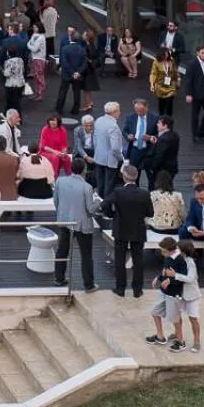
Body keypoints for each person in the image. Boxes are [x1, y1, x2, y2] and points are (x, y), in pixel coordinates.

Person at [103, 164, 153, 298]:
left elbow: (105, 204)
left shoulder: (118, 192)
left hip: (121, 228)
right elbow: (150, 213)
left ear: (124, 177)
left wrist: (112, 215)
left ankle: (120, 288)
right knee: (138, 260)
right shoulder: (144, 193)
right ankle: (137, 289)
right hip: (138, 228)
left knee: (120, 259)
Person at [54, 157, 102, 292]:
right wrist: (98, 202)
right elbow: (90, 210)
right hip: (82, 224)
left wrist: (62, 213)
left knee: (62, 250)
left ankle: (59, 278)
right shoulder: (87, 187)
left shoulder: (60, 181)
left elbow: (56, 201)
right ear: (84, 170)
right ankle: (89, 285)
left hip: (65, 221)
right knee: (86, 255)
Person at [146, 237, 202, 353]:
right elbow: (167, 272)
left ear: (184, 251)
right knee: (177, 317)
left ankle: (196, 342)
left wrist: (174, 276)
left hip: (190, 296)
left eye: (178, 248)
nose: (176, 249)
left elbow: (190, 279)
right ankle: (177, 335)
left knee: (193, 318)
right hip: (178, 294)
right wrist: (161, 277)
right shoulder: (174, 258)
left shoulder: (190, 263)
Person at [92, 101, 125, 198]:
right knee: (109, 186)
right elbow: (115, 148)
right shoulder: (113, 126)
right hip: (110, 161)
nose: (120, 113)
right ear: (114, 112)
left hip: (99, 157)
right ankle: (106, 205)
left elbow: (95, 139)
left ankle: (100, 203)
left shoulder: (98, 120)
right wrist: (120, 158)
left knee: (100, 184)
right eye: (119, 111)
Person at [184, 44, 204, 142]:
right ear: (197, 53)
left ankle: (202, 132)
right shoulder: (192, 64)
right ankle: (195, 135)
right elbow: (188, 80)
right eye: (202, 53)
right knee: (195, 115)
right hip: (196, 93)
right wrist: (188, 94)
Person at [55, 32, 88, 116]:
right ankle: (75, 109)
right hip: (78, 75)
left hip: (67, 73)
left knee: (63, 91)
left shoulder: (65, 48)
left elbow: (65, 62)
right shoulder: (82, 49)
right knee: (77, 92)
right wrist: (78, 72)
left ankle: (59, 108)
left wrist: (72, 72)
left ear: (70, 38)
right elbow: (84, 63)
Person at [146, 113, 180, 191]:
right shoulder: (175, 135)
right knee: (168, 187)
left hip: (162, 170)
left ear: (165, 125)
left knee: (159, 188)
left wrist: (152, 167)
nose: (157, 125)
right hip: (172, 168)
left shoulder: (163, 140)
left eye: (159, 123)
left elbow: (159, 156)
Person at [148, 169, 185, 234]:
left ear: (157, 182)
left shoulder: (152, 195)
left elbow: (148, 212)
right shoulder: (178, 195)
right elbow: (182, 214)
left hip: (157, 227)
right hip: (174, 228)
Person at [123, 99, 157, 169]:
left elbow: (159, 134)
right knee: (134, 172)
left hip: (149, 150)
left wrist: (150, 137)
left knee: (150, 173)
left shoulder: (155, 118)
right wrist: (128, 136)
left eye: (141, 110)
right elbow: (125, 131)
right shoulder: (130, 117)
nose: (138, 113)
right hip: (135, 150)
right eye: (136, 110)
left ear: (146, 107)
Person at [148, 48, 178, 119]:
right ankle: (161, 118)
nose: (166, 56)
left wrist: (178, 79)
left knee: (169, 103)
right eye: (165, 54)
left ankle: (168, 119)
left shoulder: (171, 60)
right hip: (160, 86)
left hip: (170, 85)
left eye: (167, 54)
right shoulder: (156, 62)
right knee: (161, 104)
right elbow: (153, 74)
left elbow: (175, 71)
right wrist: (152, 84)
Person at [39, 112, 71, 176]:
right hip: (46, 152)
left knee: (67, 158)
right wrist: (55, 152)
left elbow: (64, 145)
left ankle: (69, 176)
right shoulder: (45, 129)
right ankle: (54, 176)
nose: (52, 122)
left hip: (59, 152)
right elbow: (43, 146)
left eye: (54, 120)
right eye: (51, 120)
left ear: (58, 121)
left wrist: (64, 152)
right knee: (55, 158)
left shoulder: (62, 130)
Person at [26, 20, 48, 100]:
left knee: (39, 77)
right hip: (35, 58)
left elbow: (34, 48)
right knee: (35, 77)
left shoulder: (40, 38)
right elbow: (31, 44)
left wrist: (29, 45)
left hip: (39, 59)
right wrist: (30, 45)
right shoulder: (35, 35)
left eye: (36, 27)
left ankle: (40, 94)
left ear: (40, 28)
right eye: (34, 27)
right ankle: (37, 92)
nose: (34, 29)